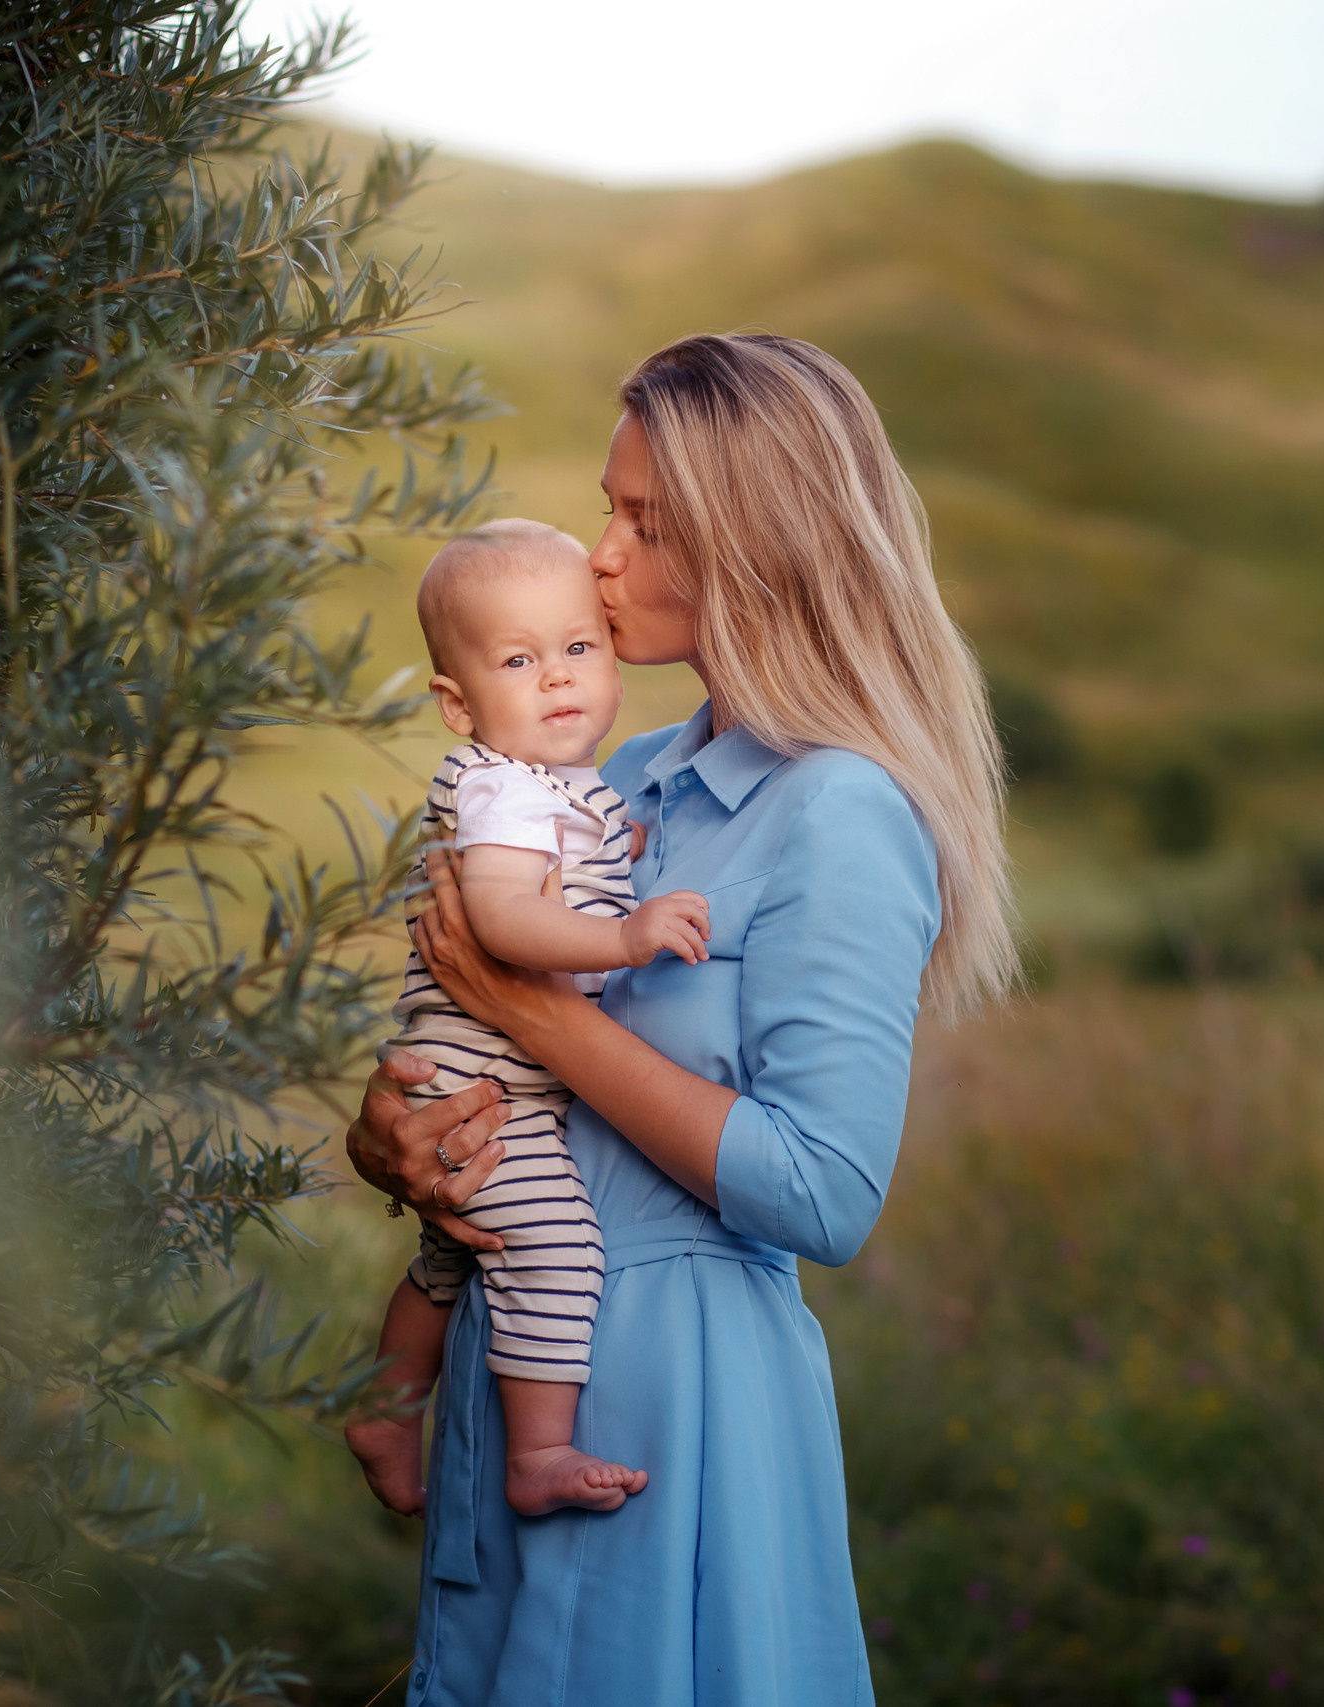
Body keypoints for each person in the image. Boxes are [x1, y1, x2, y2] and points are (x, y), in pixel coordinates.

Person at [346, 331, 1019, 1707]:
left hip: (679, 1393)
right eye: (609, 506)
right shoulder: (614, 779)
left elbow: (824, 1191)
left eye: (645, 523)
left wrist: (530, 1012)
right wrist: (393, 1144)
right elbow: (479, 1040)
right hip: (514, 1347)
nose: (599, 552)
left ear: (754, 547)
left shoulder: (842, 810)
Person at [343, 519, 711, 1519]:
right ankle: (538, 1453)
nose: (556, 679)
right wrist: (626, 936)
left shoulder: (562, 787)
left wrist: (612, 853)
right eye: (518, 661)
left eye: (576, 648)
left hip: (478, 1084)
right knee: (553, 1248)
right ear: (458, 704)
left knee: (456, 1251)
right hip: (486, 1085)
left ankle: (384, 1406)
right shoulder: (502, 788)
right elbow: (505, 922)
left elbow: (568, 867)